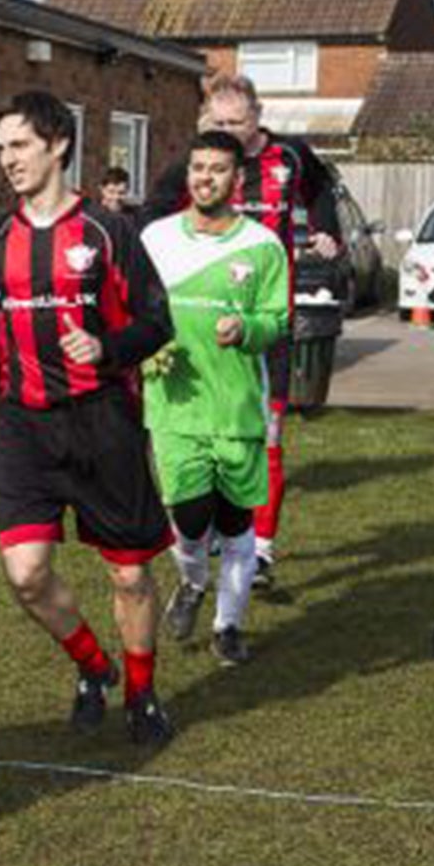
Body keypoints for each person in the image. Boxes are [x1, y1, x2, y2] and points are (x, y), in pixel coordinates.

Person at [0, 90, 175, 744]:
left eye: (20, 145)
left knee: (131, 574)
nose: (8, 160)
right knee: (26, 574)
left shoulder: (109, 232)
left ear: (57, 144)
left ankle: (141, 694)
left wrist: (109, 348)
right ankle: (92, 666)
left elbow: (157, 322)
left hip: (101, 419)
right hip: (25, 428)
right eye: (2, 148)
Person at [144, 73, 342, 591]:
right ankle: (207, 539)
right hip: (198, 324)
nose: (227, 132)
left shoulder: (291, 157)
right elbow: (151, 215)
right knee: (202, 436)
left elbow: (322, 190)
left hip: (266, 321)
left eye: (237, 122)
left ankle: (262, 549)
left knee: (267, 436)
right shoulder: (201, 164)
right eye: (218, 123)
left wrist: (326, 230)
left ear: (258, 117)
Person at [141, 132, 290, 666]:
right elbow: (132, 305)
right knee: (188, 516)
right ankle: (193, 583)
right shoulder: (155, 238)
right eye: (198, 167)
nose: (205, 177)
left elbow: (278, 320)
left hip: (235, 406)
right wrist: (141, 347)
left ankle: (228, 627)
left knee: (232, 523)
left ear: (238, 179)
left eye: (218, 169)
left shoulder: (264, 245)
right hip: (173, 403)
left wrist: (246, 327)